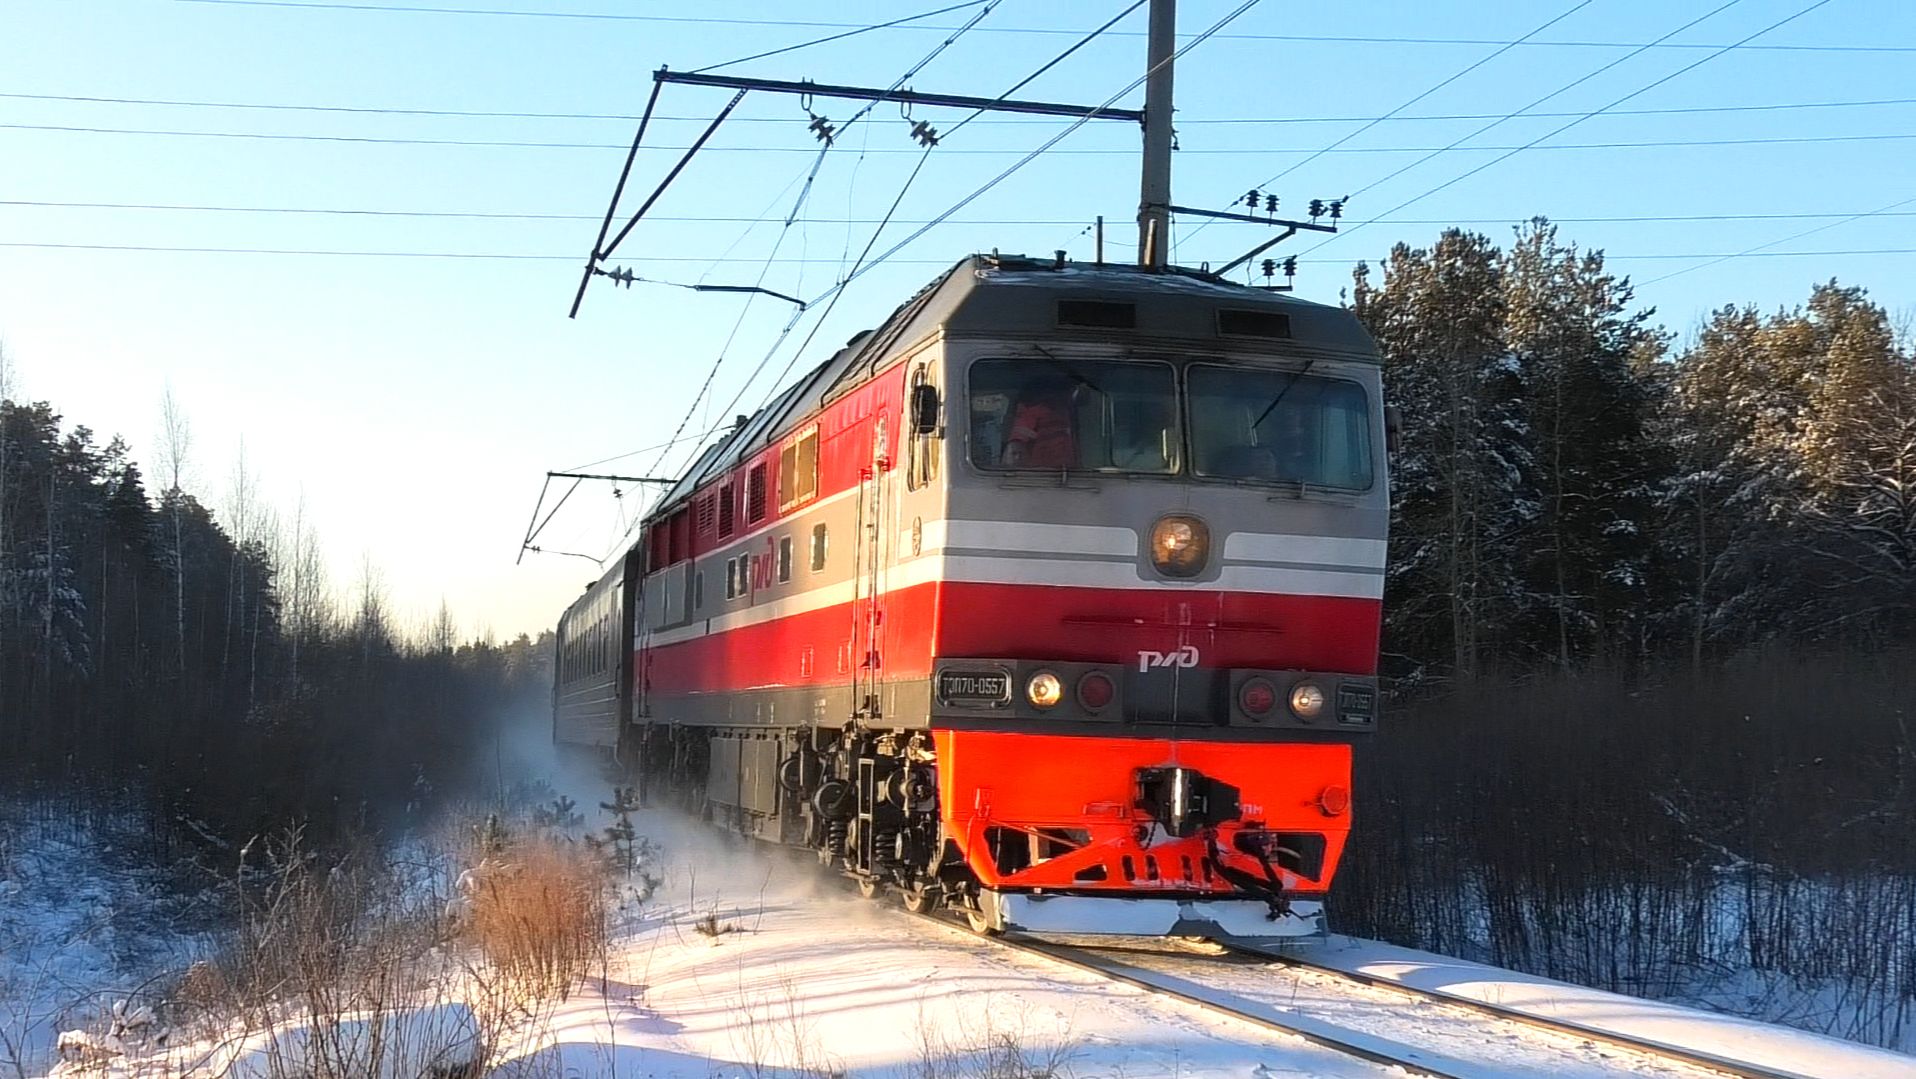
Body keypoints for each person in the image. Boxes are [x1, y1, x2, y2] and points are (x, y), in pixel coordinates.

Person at [1002, 375, 1078, 468]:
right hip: (1040, 476)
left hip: (1068, 475)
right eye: (1067, 391)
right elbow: (1016, 447)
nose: (1070, 395)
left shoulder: (1067, 416)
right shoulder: (1031, 414)